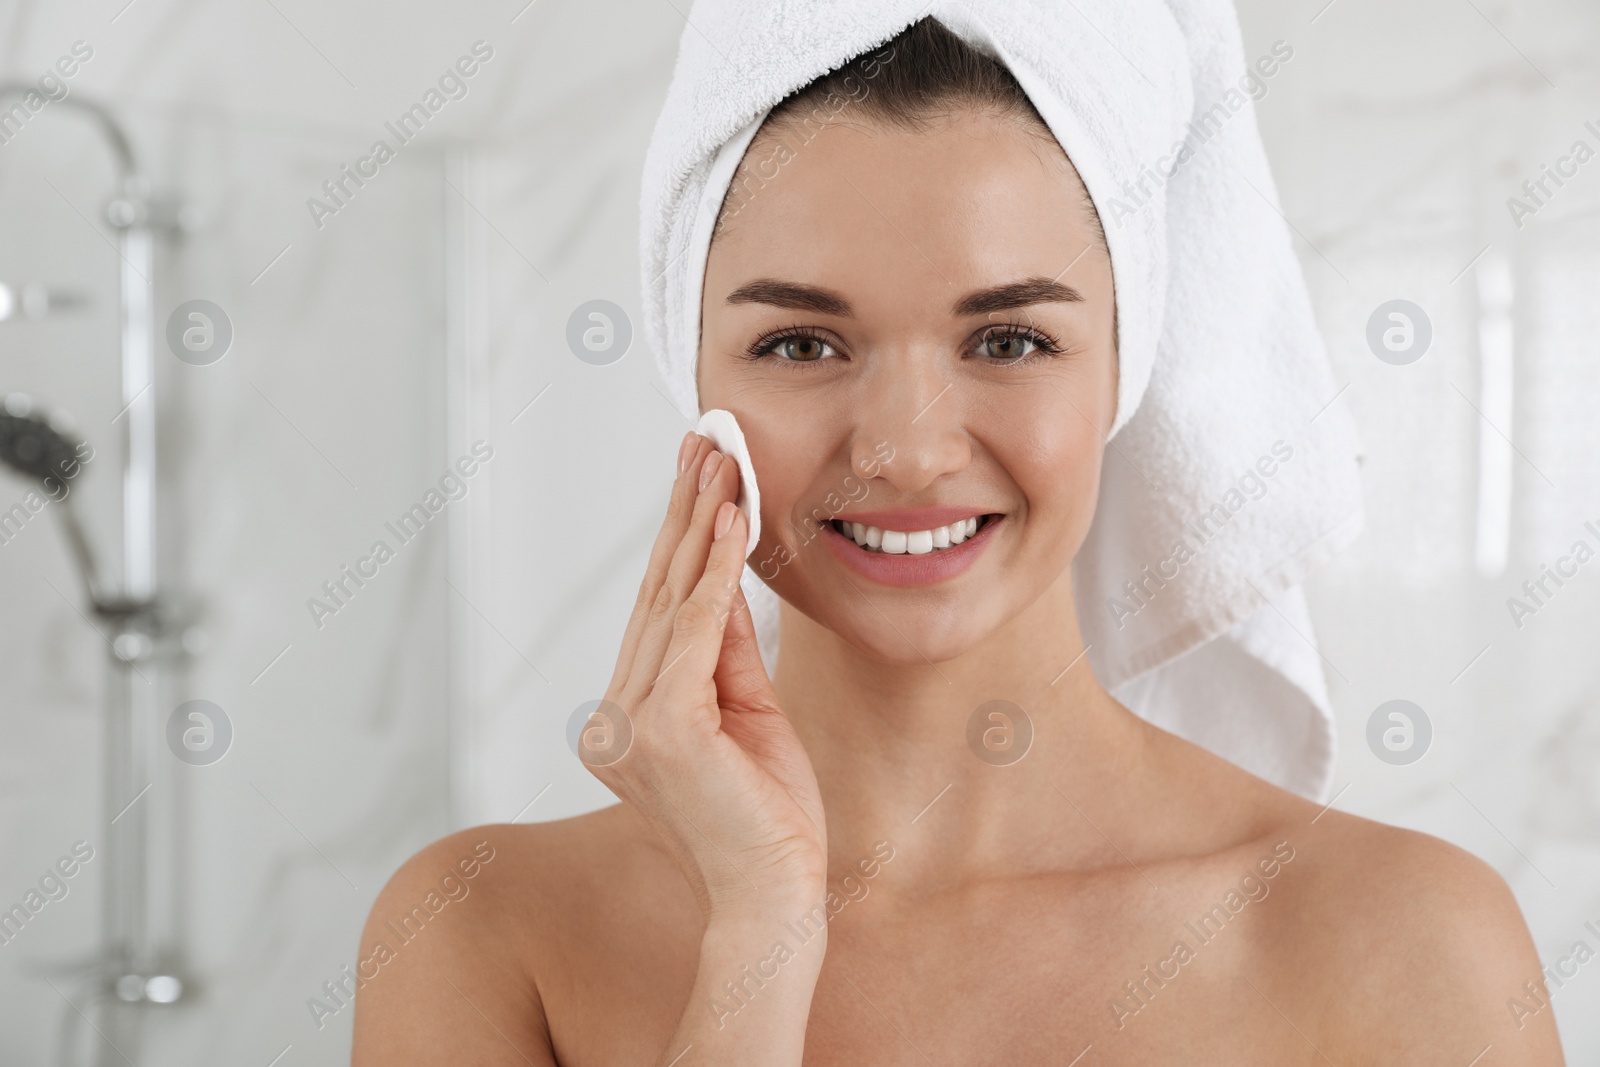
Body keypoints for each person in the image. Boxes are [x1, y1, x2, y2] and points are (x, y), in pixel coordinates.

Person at [353, 16, 1564, 1065]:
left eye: (1009, 340)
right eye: (800, 344)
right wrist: (759, 934)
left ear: (1121, 372)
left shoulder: (1403, 939)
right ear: (694, 376)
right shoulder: (485, 933)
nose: (907, 452)